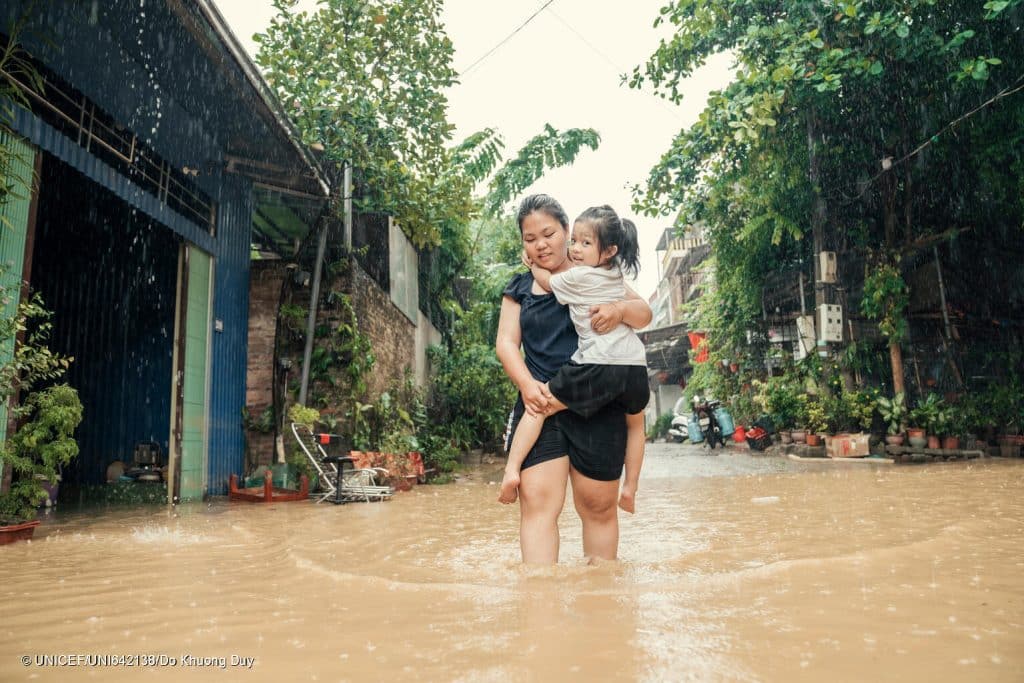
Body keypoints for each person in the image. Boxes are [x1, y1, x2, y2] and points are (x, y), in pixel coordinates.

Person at [495, 194, 652, 564]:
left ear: (567, 231)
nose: (540, 244)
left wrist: (618, 310)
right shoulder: (519, 288)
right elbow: (505, 343)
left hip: (598, 403)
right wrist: (526, 385)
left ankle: (601, 605)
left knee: (598, 506)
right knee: (537, 503)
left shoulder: (596, 277)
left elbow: (643, 314)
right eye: (530, 239)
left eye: (548, 233)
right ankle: (539, 602)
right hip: (542, 401)